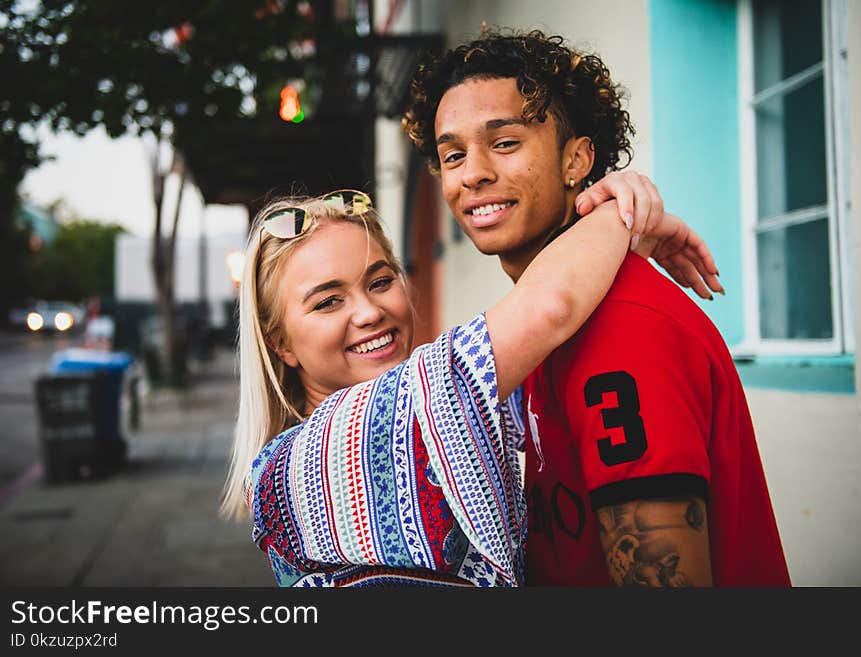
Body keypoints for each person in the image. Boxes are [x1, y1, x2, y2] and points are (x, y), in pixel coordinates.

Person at [401, 28, 790, 586]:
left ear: (576, 159)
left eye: (505, 142)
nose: (473, 173)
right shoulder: (537, 324)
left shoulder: (622, 327)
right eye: (453, 154)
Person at [221, 186, 721, 587]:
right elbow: (551, 308)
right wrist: (623, 214)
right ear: (280, 342)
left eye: (379, 281)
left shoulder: (430, 407)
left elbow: (553, 383)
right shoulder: (311, 455)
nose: (370, 312)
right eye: (328, 302)